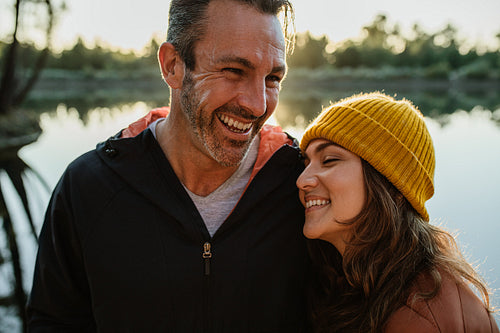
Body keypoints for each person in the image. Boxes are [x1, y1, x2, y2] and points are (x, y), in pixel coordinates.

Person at [26, 0, 310, 331]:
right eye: (234, 71)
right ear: (173, 65)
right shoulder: (88, 187)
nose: (258, 104)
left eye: (273, 78)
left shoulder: (306, 185)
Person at [296, 92, 499, 332]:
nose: (302, 180)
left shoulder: (421, 316)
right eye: (305, 163)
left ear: (392, 187)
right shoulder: (358, 276)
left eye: (329, 160)